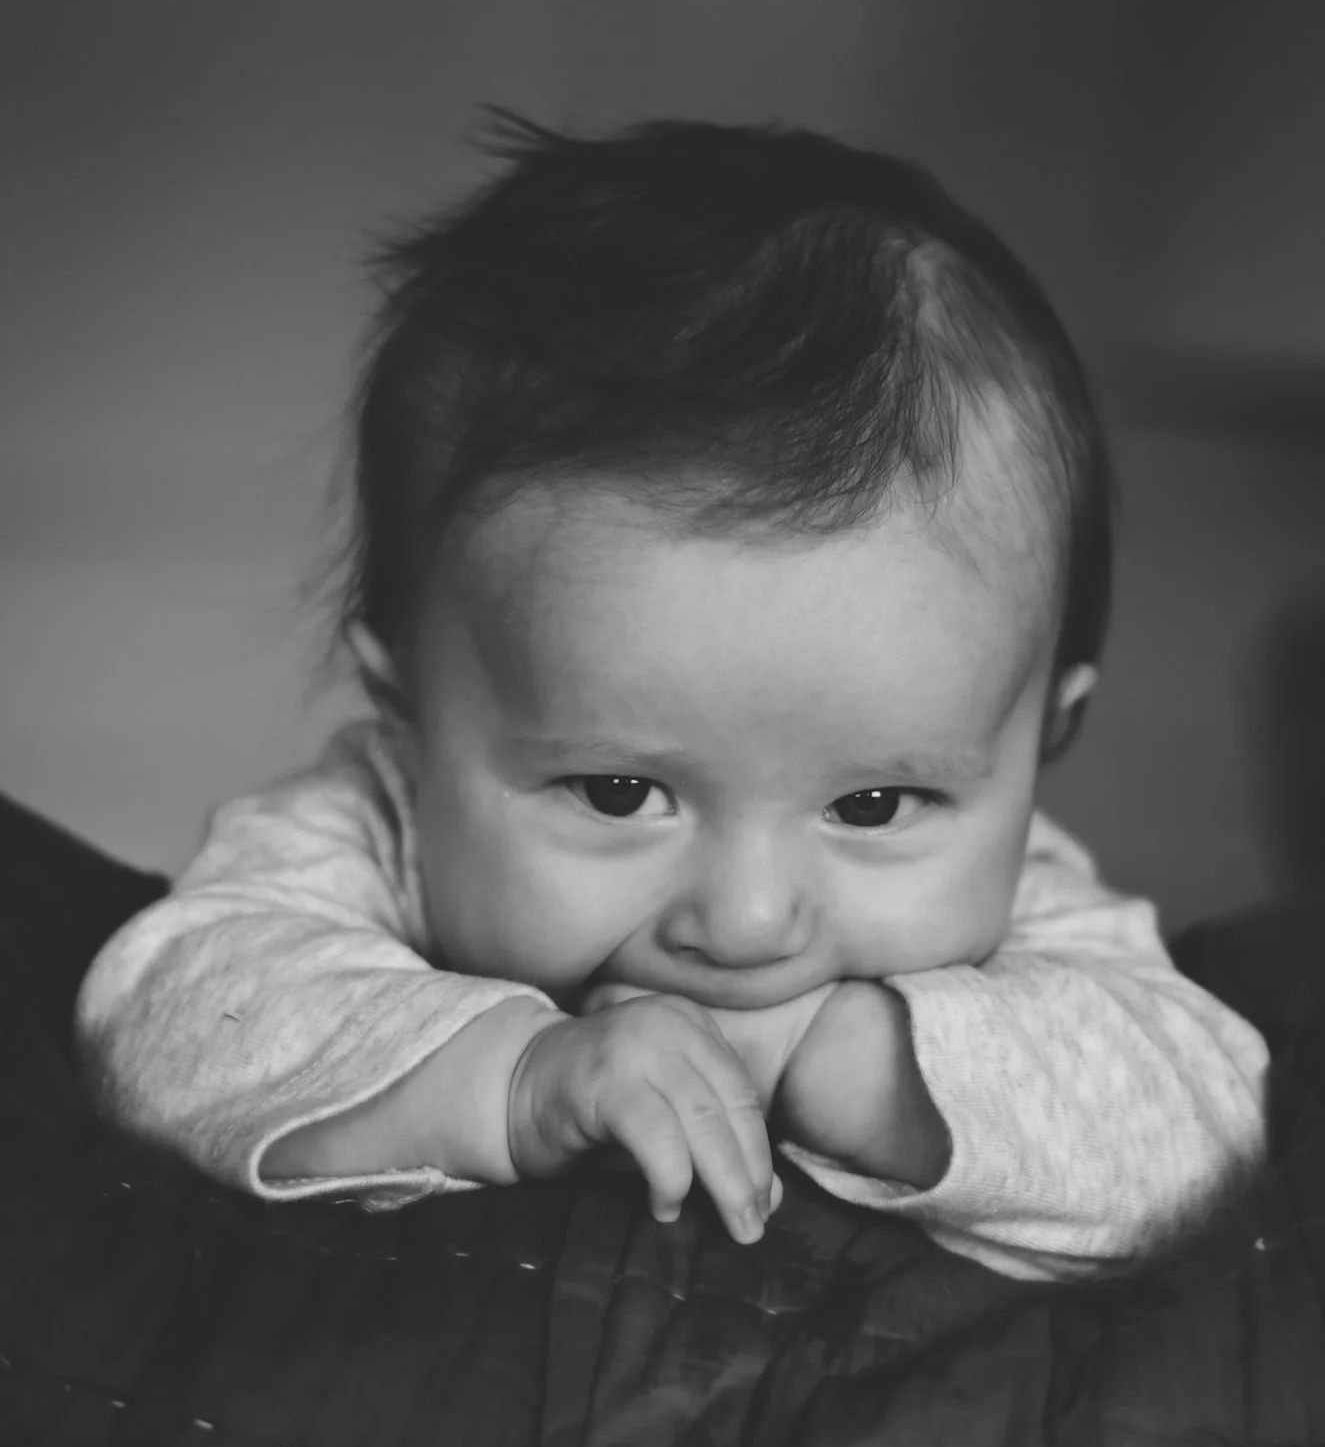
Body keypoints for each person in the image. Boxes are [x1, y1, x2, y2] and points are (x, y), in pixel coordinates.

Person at [76, 115, 1267, 1282]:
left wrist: (859, 1067)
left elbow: (1196, 1120)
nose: (746, 923)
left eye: (872, 804)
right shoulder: (369, 832)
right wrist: (520, 1077)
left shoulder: (1033, 915)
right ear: (411, 719)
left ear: (1041, 731)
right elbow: (171, 1021)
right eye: (618, 789)